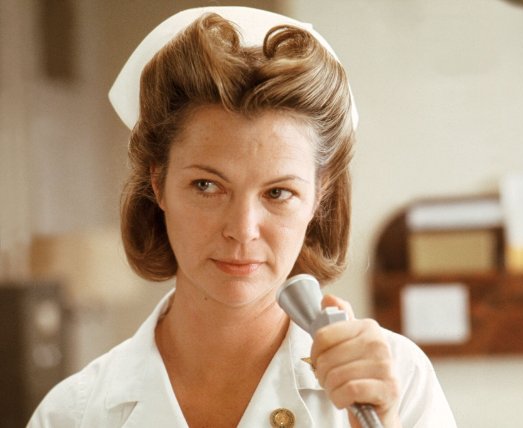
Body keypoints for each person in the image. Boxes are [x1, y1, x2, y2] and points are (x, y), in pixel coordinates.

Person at [28, 6, 456, 428]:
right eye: (207, 186)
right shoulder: (71, 415)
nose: (242, 230)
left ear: (319, 196)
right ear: (158, 182)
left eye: (278, 193)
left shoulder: (399, 383)